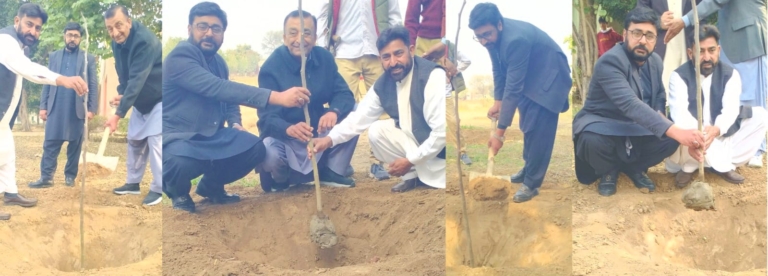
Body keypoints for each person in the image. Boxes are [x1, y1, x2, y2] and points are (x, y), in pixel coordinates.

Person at [162, 2, 311, 213]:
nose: (209, 33)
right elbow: (217, 88)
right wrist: (277, 97)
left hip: (212, 136)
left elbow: (228, 99)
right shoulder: (181, 56)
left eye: (216, 28)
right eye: (202, 26)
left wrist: (235, 122)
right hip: (179, 138)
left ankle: (211, 187)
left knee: (255, 147)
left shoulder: (219, 63)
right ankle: (179, 193)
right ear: (189, 29)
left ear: (223, 33)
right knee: (178, 162)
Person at [572, 7, 705, 197]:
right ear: (625, 34)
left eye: (650, 35)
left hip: (636, 127)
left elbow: (659, 95)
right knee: (590, 140)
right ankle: (608, 170)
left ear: (656, 39)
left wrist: (662, 117)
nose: (643, 40)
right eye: (637, 33)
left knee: (670, 139)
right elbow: (630, 104)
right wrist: (676, 131)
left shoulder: (656, 61)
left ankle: (634, 167)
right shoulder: (610, 61)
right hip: (604, 125)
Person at [311, 26, 446, 193]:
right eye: (386, 57)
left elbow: (441, 133)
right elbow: (358, 118)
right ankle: (414, 177)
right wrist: (328, 139)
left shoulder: (432, 76)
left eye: (398, 54)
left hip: (441, 157)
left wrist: (410, 160)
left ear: (411, 50)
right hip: (416, 145)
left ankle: (421, 172)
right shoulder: (383, 84)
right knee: (377, 131)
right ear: (380, 59)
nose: (393, 62)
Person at [468, 3, 572, 203]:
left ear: (499, 25)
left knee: (539, 129)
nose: (483, 41)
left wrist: (500, 134)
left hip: (550, 77)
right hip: (532, 79)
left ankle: (532, 183)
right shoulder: (492, 40)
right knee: (528, 126)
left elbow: (513, 88)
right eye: (478, 36)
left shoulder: (516, 40)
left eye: (486, 34)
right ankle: (528, 168)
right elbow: (498, 70)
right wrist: (498, 101)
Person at [0, 3, 90, 220]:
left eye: (38, 28)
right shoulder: (5, 41)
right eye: (29, 25)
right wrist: (62, 79)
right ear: (17, 21)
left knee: (7, 152)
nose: (33, 31)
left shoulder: (21, 46)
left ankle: (10, 192)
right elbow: (28, 69)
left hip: (3, 116)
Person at [257, 10, 357, 191]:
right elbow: (266, 117)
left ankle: (331, 170)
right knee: (269, 152)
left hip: (317, 132)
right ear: (284, 37)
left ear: (315, 37)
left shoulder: (324, 58)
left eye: (307, 33)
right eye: (293, 33)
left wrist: (333, 111)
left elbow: (344, 94)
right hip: (285, 137)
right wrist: (289, 129)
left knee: (353, 113)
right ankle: (282, 180)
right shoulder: (270, 68)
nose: (300, 39)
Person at [664, 0, 768, 167]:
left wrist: (684, 21)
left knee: (749, 100)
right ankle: (717, 159)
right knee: (724, 99)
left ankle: (756, 150)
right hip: (732, 37)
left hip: (747, 36)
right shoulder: (680, 76)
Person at [316, 0, 402, 181]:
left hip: (377, 51)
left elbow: (393, 14)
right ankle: (340, 163)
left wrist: (396, 45)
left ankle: (376, 162)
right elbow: (324, 12)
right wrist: (323, 47)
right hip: (344, 51)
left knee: (384, 109)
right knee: (342, 108)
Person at [102, 5, 163, 206]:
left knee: (156, 142)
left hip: (159, 98)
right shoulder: (117, 43)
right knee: (135, 141)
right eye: (110, 28)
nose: (115, 32)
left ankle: (159, 188)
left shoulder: (145, 41)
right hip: (139, 101)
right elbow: (124, 75)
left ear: (129, 21)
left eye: (119, 25)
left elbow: (136, 80)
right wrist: (122, 94)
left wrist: (118, 114)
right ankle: (133, 184)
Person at [29, 22, 98, 189]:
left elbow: (93, 84)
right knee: (50, 143)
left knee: (75, 144)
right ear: (64, 36)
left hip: (77, 108)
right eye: (69, 35)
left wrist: (91, 108)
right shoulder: (54, 56)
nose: (72, 39)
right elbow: (47, 81)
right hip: (56, 106)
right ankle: (46, 177)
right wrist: (43, 106)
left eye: (76, 36)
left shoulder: (88, 58)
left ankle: (70, 176)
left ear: (80, 38)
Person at [422, 38, 472, 165]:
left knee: (454, 123)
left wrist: (454, 71)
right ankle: (431, 155)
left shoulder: (451, 48)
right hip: (429, 96)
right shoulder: (424, 51)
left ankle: (462, 152)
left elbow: (467, 61)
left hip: (446, 95)